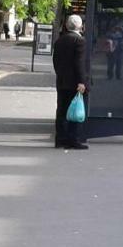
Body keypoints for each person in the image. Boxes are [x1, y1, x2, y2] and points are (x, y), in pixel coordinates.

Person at [53, 14, 88, 150]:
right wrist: (81, 81)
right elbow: (79, 63)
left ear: (67, 26)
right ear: (80, 26)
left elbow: (56, 61)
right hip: (75, 83)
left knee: (61, 111)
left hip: (62, 81)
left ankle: (60, 139)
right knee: (76, 111)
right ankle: (74, 139)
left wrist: (60, 74)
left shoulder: (60, 40)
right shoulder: (79, 41)